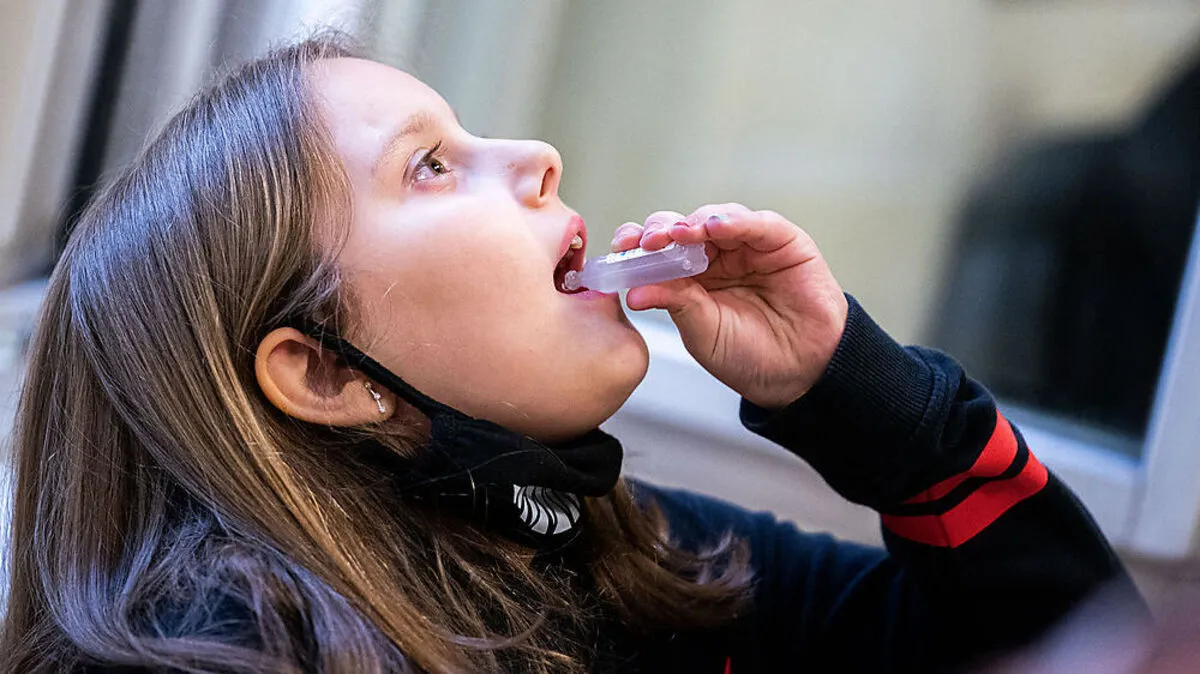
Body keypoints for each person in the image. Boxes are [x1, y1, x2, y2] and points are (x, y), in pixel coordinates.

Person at [0, 35, 1141, 673]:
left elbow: (1074, 647)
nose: (537, 153)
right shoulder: (221, 659)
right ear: (329, 373)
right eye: (430, 165)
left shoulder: (627, 551)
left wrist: (856, 388)